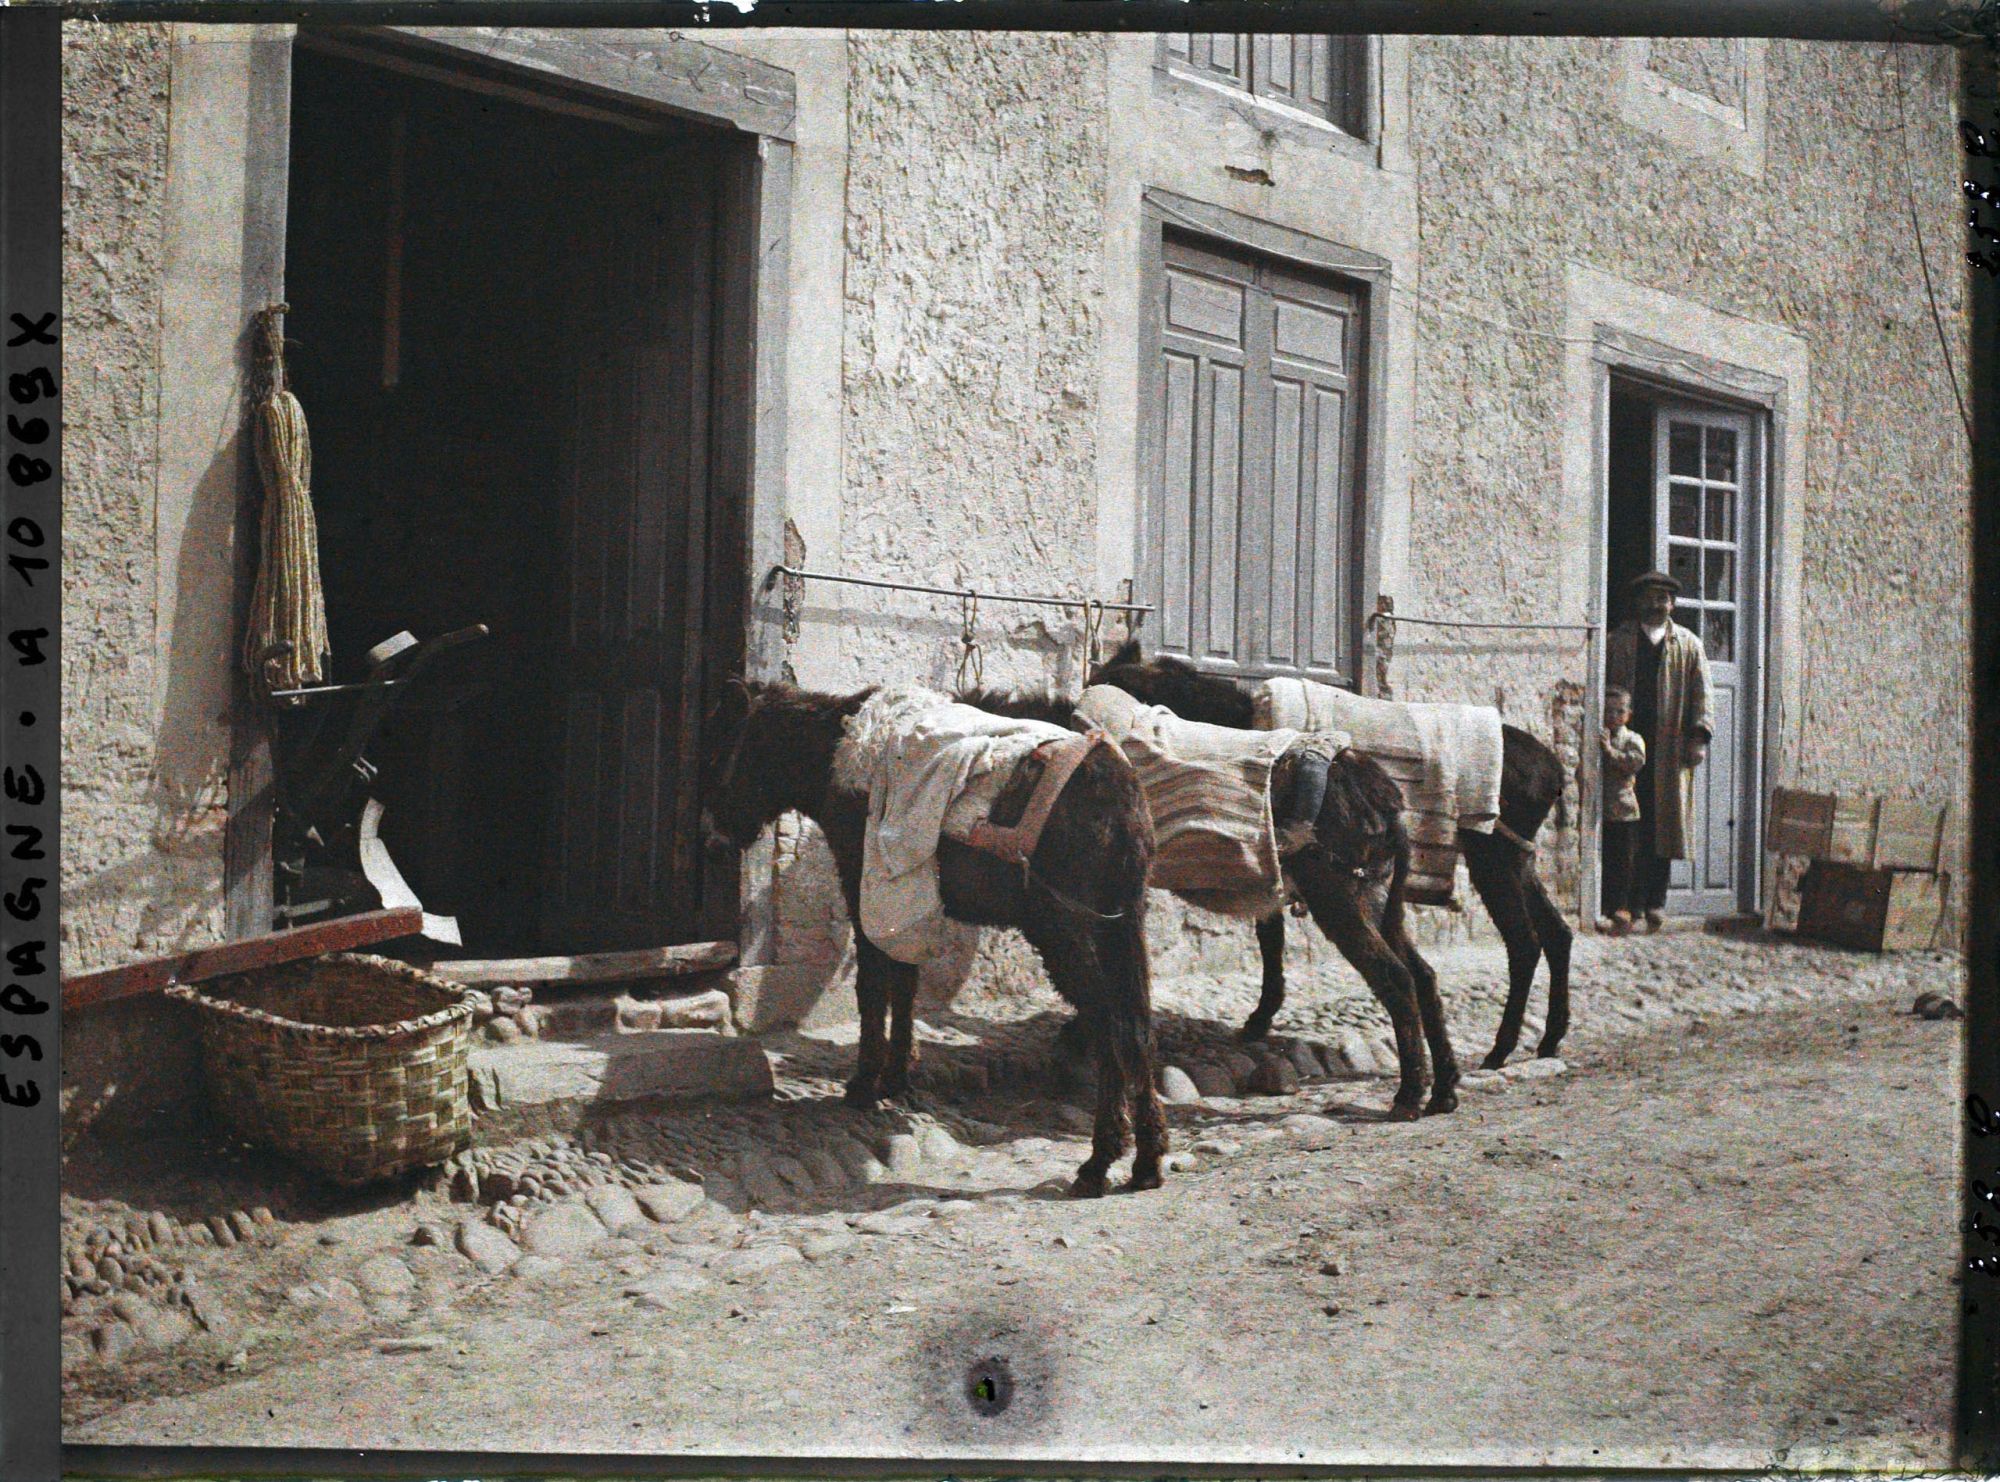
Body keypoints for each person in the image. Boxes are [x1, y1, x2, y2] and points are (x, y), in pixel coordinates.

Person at [1603, 570, 1712, 933]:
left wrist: (1698, 737)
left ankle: (1654, 902)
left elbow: (1703, 694)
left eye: (1663, 598)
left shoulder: (1688, 644)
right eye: (1649, 597)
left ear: (1672, 604)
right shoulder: (1618, 641)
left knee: (1662, 822)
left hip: (1668, 747)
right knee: (1625, 821)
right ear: (1638, 602)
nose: (1656, 604)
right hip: (1628, 746)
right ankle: (1622, 904)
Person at [1596, 685, 1647, 935]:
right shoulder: (1602, 735)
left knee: (1623, 863)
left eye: (1620, 711)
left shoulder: (1632, 739)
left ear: (1628, 714)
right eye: (1609, 711)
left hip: (1625, 811)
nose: (1614, 716)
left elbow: (1634, 763)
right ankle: (1607, 905)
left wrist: (1610, 751)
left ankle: (1624, 908)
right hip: (1604, 810)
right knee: (1607, 859)